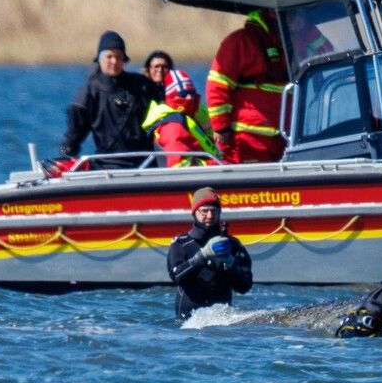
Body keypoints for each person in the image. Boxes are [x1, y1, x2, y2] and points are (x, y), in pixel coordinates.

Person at [61, 30, 160, 168]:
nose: (114, 61)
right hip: (108, 167)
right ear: (100, 58)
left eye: (119, 57)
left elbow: (166, 112)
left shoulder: (142, 85)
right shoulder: (88, 94)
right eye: (110, 56)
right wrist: (62, 158)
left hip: (146, 164)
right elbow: (71, 138)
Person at [205, 9, 289, 164]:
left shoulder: (289, 40)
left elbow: (325, 54)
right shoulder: (239, 41)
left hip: (283, 138)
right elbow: (217, 85)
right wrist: (221, 128)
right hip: (248, 139)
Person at [167, 187, 253, 319]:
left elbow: (244, 287)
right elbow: (176, 276)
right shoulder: (181, 244)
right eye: (204, 211)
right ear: (195, 212)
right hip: (187, 323)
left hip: (222, 321)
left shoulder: (232, 244)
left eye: (214, 211)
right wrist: (201, 256)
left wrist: (231, 265)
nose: (210, 216)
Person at [142, 69, 221, 167]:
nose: (189, 97)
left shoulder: (194, 114)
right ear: (171, 97)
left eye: (191, 92)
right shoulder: (172, 126)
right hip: (193, 179)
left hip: (208, 176)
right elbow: (180, 165)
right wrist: (214, 165)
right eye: (182, 94)